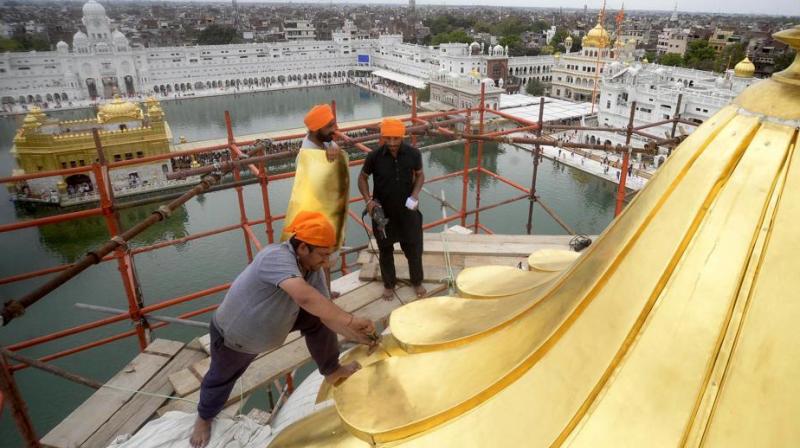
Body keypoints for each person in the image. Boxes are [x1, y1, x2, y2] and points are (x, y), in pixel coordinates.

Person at [189, 211, 376, 448]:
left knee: (318, 318)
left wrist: (358, 335)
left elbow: (324, 309)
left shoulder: (313, 268)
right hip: (239, 335)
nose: (327, 262)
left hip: (274, 323)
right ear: (302, 248)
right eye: (323, 255)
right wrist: (350, 320)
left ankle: (332, 369)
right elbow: (305, 297)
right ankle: (204, 418)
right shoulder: (274, 256)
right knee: (222, 378)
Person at [358, 118, 426, 300]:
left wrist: (415, 194)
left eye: (396, 139)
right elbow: (362, 178)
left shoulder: (413, 154)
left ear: (402, 136)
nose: (392, 143)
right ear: (382, 138)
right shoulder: (374, 157)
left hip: (407, 212)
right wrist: (368, 201)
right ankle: (389, 284)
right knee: (385, 250)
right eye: (388, 139)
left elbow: (420, 176)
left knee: (413, 249)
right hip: (383, 214)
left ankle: (417, 281)